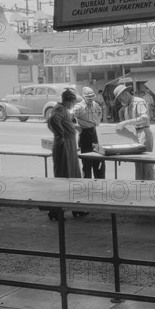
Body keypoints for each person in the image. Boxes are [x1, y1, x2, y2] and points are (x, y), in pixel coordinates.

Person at [46, 88, 87, 219]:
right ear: (68, 101)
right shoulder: (59, 109)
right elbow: (53, 120)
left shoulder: (63, 110)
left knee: (73, 176)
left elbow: (63, 121)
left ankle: (76, 208)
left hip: (68, 146)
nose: (74, 105)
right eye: (73, 102)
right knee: (64, 178)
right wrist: (60, 135)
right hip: (64, 146)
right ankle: (56, 211)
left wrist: (73, 126)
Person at [113, 84, 154, 180]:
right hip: (135, 134)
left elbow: (144, 118)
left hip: (143, 132)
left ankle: (150, 186)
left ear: (125, 94)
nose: (120, 101)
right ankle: (140, 186)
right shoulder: (127, 106)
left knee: (146, 164)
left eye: (120, 98)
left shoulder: (139, 102)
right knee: (138, 163)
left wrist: (127, 122)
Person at [73, 86, 105, 179]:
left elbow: (100, 113)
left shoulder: (96, 105)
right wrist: (77, 126)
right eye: (88, 98)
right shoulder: (79, 107)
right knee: (87, 162)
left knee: (99, 160)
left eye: (92, 98)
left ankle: (100, 182)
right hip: (85, 135)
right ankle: (87, 185)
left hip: (95, 133)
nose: (91, 100)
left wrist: (97, 122)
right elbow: (69, 118)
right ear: (83, 97)